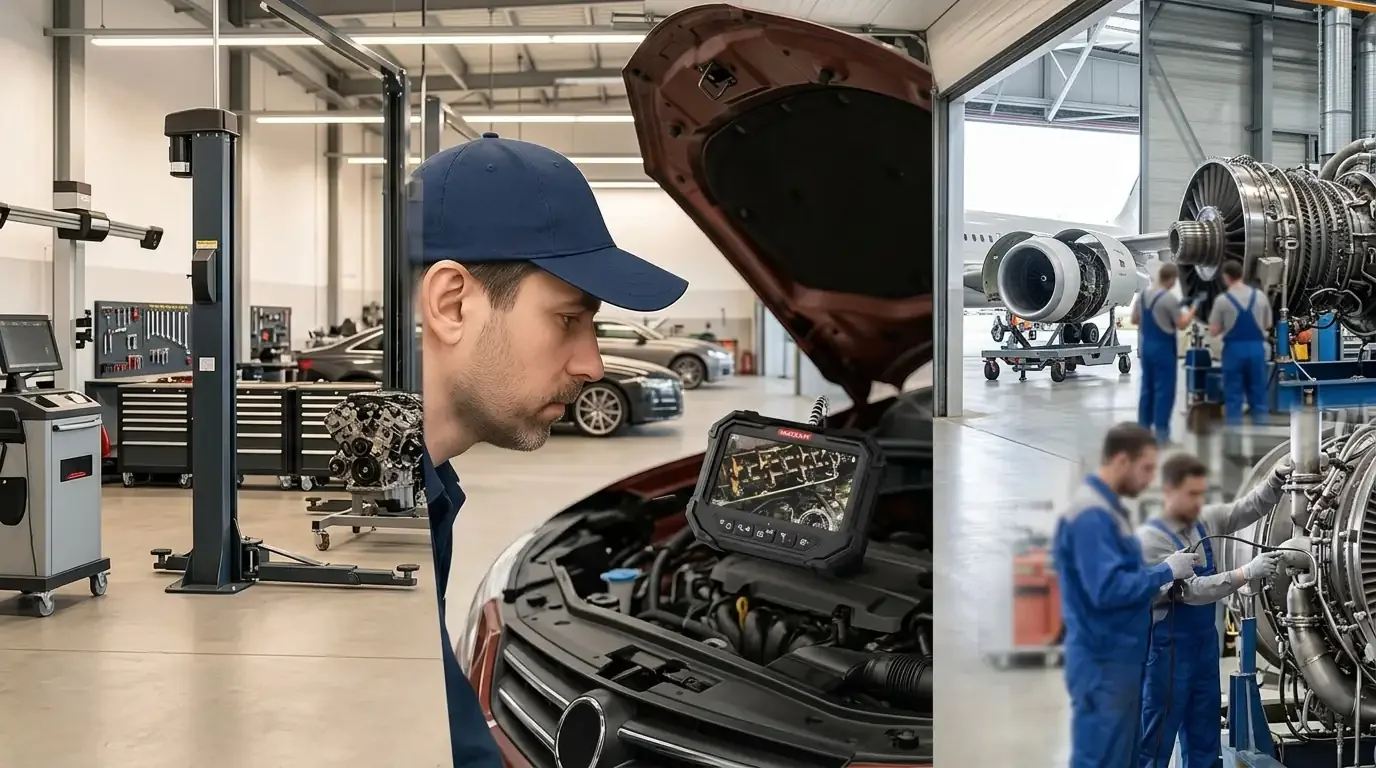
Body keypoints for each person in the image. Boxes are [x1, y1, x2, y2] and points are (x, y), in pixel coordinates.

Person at [413, 132, 689, 767]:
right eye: (568, 319)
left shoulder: (419, 486)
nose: (593, 364)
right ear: (452, 304)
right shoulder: (353, 527)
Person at [1054, 423, 1203, 768]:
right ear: (1122, 461)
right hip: (1102, 664)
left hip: (1118, 660)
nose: (1150, 479)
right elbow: (1107, 590)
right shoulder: (1092, 516)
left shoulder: (1108, 511)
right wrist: (1166, 571)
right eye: (1147, 468)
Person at [1136, 452, 1290, 768]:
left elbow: (1245, 508)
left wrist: (1274, 480)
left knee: (1204, 737)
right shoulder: (1150, 538)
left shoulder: (1203, 519)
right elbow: (1191, 592)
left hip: (1204, 649)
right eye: (1190, 494)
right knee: (1155, 741)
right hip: (1168, 654)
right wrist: (1245, 573)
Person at [1132, 263, 1196, 443]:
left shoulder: (1143, 296)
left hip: (1147, 347)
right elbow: (1182, 324)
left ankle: (1143, 430)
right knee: (1164, 391)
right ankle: (1161, 434)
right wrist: (1193, 309)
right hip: (1163, 349)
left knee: (1147, 389)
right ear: (1172, 279)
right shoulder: (1169, 298)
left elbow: (1135, 319)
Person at [1208, 260, 1273, 426]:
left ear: (1226, 277)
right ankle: (1261, 441)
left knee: (1233, 397)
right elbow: (1268, 325)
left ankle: (1234, 443)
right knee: (1258, 396)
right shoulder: (1260, 297)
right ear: (1241, 275)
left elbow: (1214, 330)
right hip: (1256, 350)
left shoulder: (1222, 300)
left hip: (1234, 352)